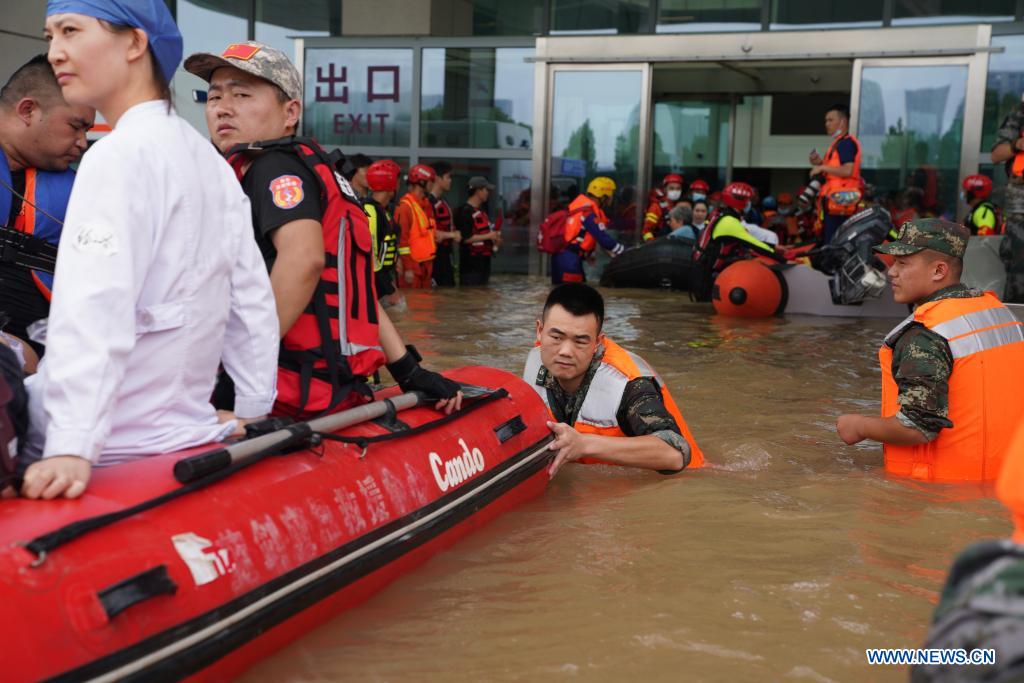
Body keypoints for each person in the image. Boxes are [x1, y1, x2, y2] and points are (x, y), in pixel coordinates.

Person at [18, 1, 282, 501]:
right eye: (50, 35)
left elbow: (93, 307)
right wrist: (251, 409)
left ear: (135, 44)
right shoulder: (208, 160)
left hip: (107, 442)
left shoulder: (116, 157)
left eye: (71, 31)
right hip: (183, 430)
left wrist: (71, 443)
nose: (55, 52)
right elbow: (250, 301)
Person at [187, 41, 462, 417]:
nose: (222, 107)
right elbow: (353, 291)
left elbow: (305, 261)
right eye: (213, 96)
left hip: (280, 390)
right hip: (328, 386)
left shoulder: (272, 168)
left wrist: (233, 369)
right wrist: (408, 370)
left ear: (290, 112)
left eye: (242, 93)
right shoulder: (316, 170)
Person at [836, 219, 1024, 482]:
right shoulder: (998, 314)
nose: (891, 272)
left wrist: (860, 426)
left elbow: (918, 426)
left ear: (938, 271)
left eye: (903, 263)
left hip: (942, 492)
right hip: (1007, 481)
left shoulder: (925, 334)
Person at [523, 283, 704, 478]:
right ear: (539, 331)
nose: (565, 351)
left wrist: (584, 444)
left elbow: (674, 454)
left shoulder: (628, 383)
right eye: (557, 337)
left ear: (597, 343)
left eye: (580, 341)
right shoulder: (535, 362)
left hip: (681, 484)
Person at [0, 54, 93, 356]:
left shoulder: (84, 192)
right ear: (28, 110)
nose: (82, 142)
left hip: (49, 372)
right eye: (75, 126)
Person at [690, 182, 779, 301]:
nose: (749, 203)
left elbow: (750, 241)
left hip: (706, 273)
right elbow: (756, 245)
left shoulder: (723, 215)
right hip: (708, 279)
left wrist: (774, 247)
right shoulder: (730, 223)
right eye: (747, 200)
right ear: (740, 201)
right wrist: (781, 257)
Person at [551, 177, 624, 285]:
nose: (611, 200)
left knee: (561, 295)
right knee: (576, 298)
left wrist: (590, 254)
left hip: (559, 258)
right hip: (570, 261)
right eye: (610, 196)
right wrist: (624, 251)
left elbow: (584, 235)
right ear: (603, 197)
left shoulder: (577, 208)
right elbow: (603, 239)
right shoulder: (588, 214)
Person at [809, 103, 862, 245]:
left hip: (841, 205)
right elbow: (833, 172)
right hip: (835, 204)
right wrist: (819, 163)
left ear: (843, 122)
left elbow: (847, 170)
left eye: (830, 120)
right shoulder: (837, 144)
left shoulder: (845, 144)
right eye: (826, 121)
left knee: (835, 246)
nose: (827, 124)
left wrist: (822, 168)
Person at [991, 99, 1024, 302]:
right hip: (1020, 210)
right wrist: (1018, 144)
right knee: (1018, 275)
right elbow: (996, 154)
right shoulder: (1019, 114)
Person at [394, 164, 438, 289]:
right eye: (431, 181)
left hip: (426, 267)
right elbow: (402, 242)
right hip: (412, 268)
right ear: (422, 182)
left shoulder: (426, 205)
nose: (433, 184)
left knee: (426, 305)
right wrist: (408, 268)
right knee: (413, 304)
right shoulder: (404, 208)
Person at [364, 159, 401, 301]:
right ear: (391, 183)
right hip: (375, 283)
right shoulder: (371, 211)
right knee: (400, 308)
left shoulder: (383, 210)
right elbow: (371, 255)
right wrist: (389, 290)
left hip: (383, 277)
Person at [455, 176, 501, 286]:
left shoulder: (481, 212)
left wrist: (495, 240)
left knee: (481, 298)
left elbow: (486, 233)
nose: (488, 193)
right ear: (478, 191)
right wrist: (489, 236)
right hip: (470, 267)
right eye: (486, 190)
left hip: (483, 264)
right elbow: (465, 238)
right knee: (471, 299)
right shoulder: (464, 211)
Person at [429, 161, 460, 287]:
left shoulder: (443, 201)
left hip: (446, 255)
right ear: (437, 178)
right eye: (448, 177)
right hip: (435, 257)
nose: (450, 180)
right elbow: (429, 231)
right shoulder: (428, 202)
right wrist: (452, 235)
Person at [642, 172, 683, 241]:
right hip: (661, 244)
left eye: (678, 188)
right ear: (665, 189)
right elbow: (646, 231)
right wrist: (653, 244)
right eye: (671, 188)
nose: (675, 191)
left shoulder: (681, 205)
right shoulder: (656, 207)